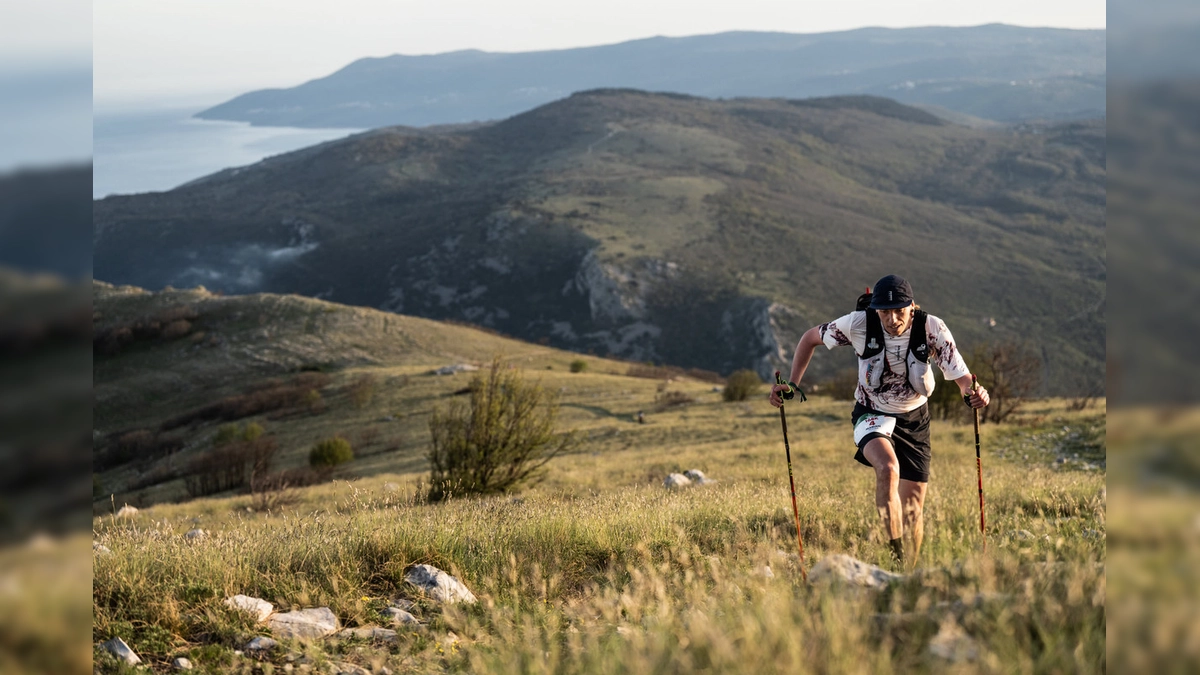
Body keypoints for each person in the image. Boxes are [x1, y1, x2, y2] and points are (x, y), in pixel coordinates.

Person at [768, 274, 989, 567]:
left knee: (913, 509)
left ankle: (909, 571)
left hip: (915, 419)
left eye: (900, 310)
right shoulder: (859, 323)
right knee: (887, 467)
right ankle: (896, 558)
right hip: (871, 412)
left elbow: (961, 377)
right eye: (885, 311)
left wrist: (972, 394)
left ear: (912, 306)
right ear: (875, 309)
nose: (893, 318)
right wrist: (793, 385)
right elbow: (810, 338)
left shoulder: (931, 327)